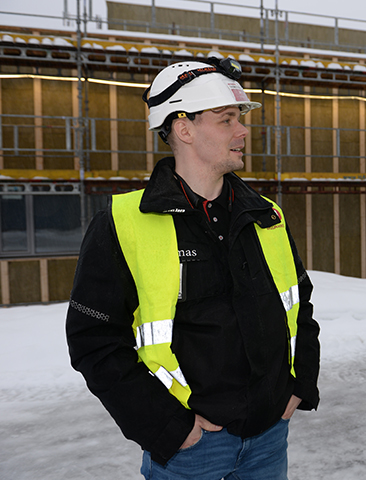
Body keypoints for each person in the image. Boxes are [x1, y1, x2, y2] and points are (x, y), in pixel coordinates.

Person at [66, 56, 320, 480]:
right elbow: (93, 340)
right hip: (190, 450)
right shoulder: (123, 222)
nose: (242, 131)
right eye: (226, 120)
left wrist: (300, 385)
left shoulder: (266, 215)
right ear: (184, 129)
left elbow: (300, 305)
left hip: (269, 435)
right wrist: (169, 427)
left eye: (239, 118)